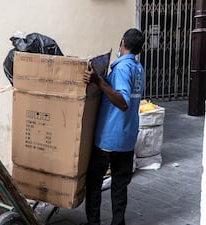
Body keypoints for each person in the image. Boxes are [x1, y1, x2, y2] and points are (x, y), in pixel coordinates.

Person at [82, 28, 145, 225]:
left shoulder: (122, 69)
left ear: (122, 43)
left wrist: (98, 80)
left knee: (93, 183)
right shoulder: (138, 69)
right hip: (127, 138)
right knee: (119, 186)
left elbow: (123, 101)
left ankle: (94, 223)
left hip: (109, 138)